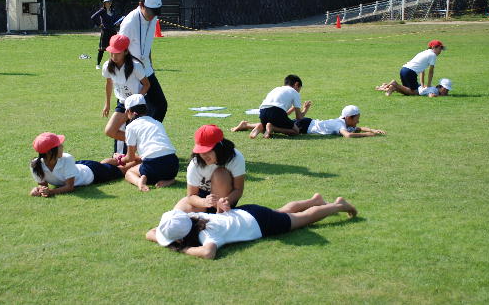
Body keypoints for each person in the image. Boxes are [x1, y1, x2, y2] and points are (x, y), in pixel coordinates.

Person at [146, 193, 357, 259]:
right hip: (248, 212)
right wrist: (162, 237)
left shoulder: (206, 236)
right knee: (282, 212)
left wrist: (182, 248)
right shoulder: (194, 217)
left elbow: (208, 253)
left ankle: (338, 206)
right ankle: (314, 200)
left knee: (303, 219)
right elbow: (150, 233)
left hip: (259, 224)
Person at [118, 0, 168, 122]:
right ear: (141, 5)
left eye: (156, 12)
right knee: (133, 111)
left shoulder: (153, 17)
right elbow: (119, 50)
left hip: (146, 69)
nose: (153, 16)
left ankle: (148, 132)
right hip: (131, 71)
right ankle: (132, 133)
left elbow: (147, 43)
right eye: (151, 12)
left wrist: (150, 65)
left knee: (160, 105)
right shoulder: (129, 23)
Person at [174, 125, 245, 213]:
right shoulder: (195, 163)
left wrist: (226, 201)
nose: (204, 155)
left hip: (224, 198)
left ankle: (220, 214)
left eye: (208, 150)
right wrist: (204, 202)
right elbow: (191, 196)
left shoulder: (235, 158)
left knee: (220, 174)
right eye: (201, 151)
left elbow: (238, 189)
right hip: (201, 200)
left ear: (219, 147)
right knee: (177, 213)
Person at [29, 132, 125, 197]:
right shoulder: (35, 165)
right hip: (79, 168)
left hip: (93, 173)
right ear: (50, 152)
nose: (62, 146)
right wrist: (38, 190)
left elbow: (69, 187)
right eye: (59, 145)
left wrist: (51, 192)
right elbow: (43, 186)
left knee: (124, 170)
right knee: (103, 165)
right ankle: (117, 159)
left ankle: (129, 159)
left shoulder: (67, 158)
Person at [116, 94, 179, 192]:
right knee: (164, 171)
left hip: (153, 166)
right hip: (173, 165)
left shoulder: (130, 127)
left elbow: (130, 157)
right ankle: (169, 180)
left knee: (129, 173)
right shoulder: (156, 122)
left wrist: (120, 158)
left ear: (129, 111)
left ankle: (139, 182)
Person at [101, 34, 150, 148]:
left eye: (118, 53)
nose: (114, 56)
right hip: (122, 103)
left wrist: (136, 101)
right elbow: (108, 84)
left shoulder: (135, 66)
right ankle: (140, 144)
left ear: (126, 51)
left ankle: (140, 148)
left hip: (138, 106)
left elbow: (147, 85)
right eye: (112, 52)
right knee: (109, 131)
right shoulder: (107, 66)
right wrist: (107, 104)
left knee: (135, 130)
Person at [230, 75, 309, 139]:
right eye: (299, 88)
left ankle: (247, 125)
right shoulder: (295, 92)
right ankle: (272, 128)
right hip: (277, 112)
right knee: (296, 131)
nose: (299, 91)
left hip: (263, 112)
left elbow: (282, 114)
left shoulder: (277, 89)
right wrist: (305, 109)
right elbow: (298, 117)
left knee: (271, 122)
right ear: (296, 84)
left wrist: (293, 108)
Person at [378, 40, 446, 96]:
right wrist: (428, 85)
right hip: (410, 72)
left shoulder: (424, 52)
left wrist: (422, 85)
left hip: (404, 70)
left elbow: (422, 71)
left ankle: (391, 87)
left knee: (406, 91)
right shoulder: (433, 55)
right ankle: (394, 84)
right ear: (433, 47)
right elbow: (431, 72)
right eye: (439, 48)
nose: (440, 51)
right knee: (414, 92)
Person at [294, 104, 386, 138]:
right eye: (356, 119)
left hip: (307, 123)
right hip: (304, 125)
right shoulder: (340, 124)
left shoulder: (346, 123)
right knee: (285, 126)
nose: (358, 122)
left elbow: (359, 128)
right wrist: (366, 134)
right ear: (349, 118)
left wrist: (373, 130)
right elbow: (348, 135)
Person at [91, 0, 118, 70]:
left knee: (114, 49)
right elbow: (93, 17)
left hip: (113, 32)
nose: (109, 3)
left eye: (110, 2)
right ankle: (98, 64)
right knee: (102, 49)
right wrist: (99, 25)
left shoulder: (113, 11)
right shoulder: (102, 10)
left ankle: (113, 64)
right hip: (105, 32)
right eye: (107, 2)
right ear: (104, 3)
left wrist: (117, 23)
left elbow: (115, 20)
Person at [376, 78, 452, 98]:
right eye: (445, 90)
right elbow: (431, 96)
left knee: (399, 89)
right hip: (415, 91)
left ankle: (383, 87)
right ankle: (394, 83)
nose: (446, 92)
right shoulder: (435, 91)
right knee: (402, 88)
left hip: (418, 88)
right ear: (440, 87)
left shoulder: (434, 88)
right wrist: (440, 96)